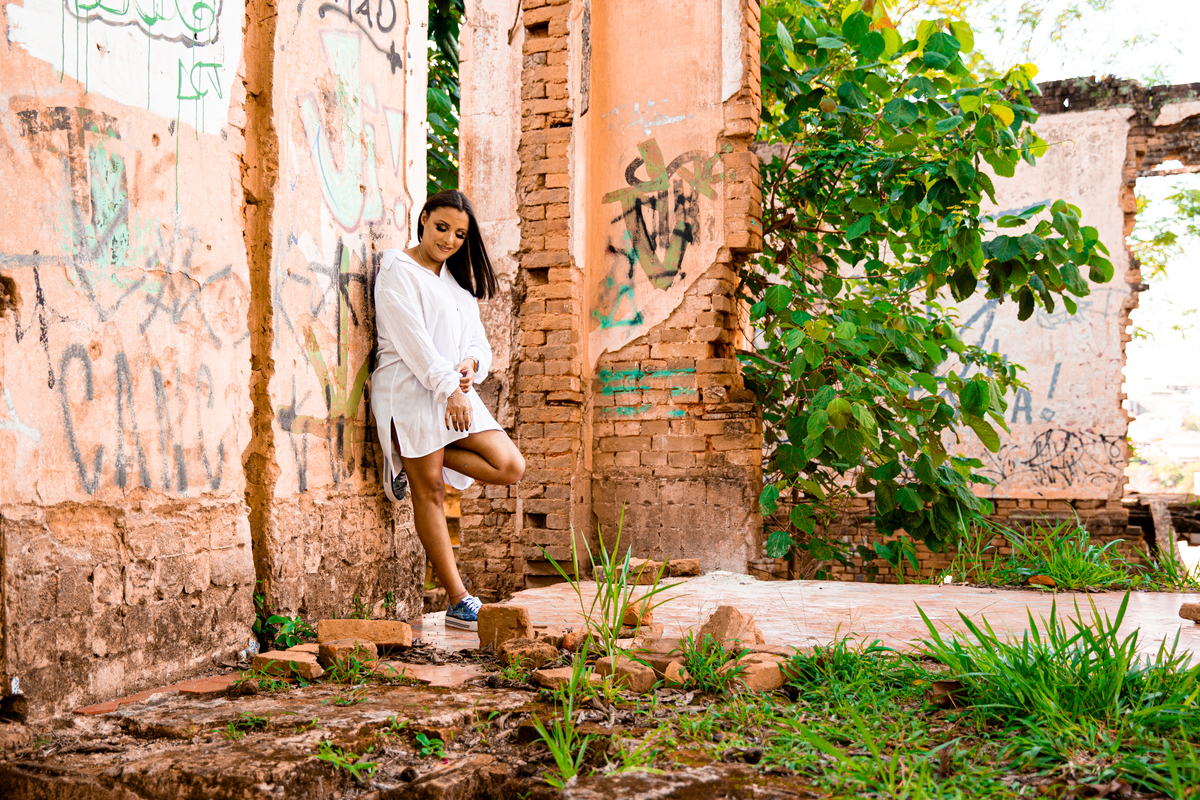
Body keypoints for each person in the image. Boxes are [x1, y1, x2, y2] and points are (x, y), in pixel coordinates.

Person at [371, 190, 525, 631]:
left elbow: (477, 339)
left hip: (455, 388)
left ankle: (408, 457)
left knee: (510, 464)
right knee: (432, 492)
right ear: (423, 219)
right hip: (410, 388)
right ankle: (459, 600)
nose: (450, 239)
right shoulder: (398, 269)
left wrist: (471, 366)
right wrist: (449, 388)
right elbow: (412, 341)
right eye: (442, 227)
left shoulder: (455, 283)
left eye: (460, 234)